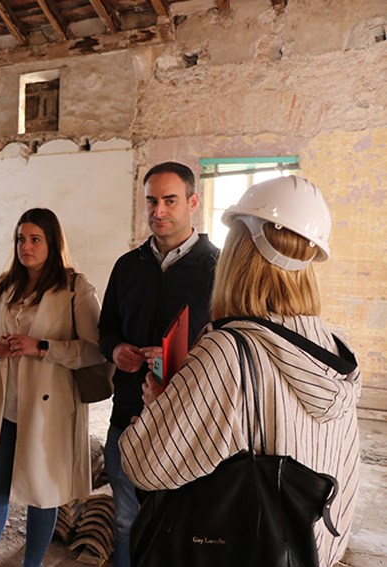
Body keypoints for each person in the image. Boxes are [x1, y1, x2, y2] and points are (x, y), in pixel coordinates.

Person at [119, 175, 360, 566]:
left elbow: (145, 465)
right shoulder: (336, 349)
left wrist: (162, 404)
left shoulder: (228, 350)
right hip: (309, 554)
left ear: (238, 253)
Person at [0, 208, 106, 567]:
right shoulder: (5, 285)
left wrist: (42, 347)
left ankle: (32, 564)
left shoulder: (75, 287)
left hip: (50, 406)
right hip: (7, 404)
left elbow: (95, 349)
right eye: (20, 239)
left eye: (35, 239)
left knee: (43, 493)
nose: (25, 247)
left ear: (52, 242)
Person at [97, 161, 220, 567]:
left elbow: (231, 347)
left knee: (184, 524)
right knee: (126, 521)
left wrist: (179, 362)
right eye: (151, 201)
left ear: (193, 202)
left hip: (191, 425)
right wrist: (116, 350)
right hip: (128, 417)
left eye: (170, 200)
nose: (159, 211)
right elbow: (106, 330)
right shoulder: (127, 266)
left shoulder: (218, 269)